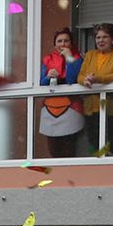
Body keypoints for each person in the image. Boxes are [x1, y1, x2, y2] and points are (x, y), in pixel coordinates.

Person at [37, 27, 87, 158]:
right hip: (49, 108)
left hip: (71, 108)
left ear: (71, 43)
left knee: (69, 148)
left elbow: (71, 80)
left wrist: (69, 58)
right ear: (54, 44)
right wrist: (48, 76)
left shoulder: (78, 58)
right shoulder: (47, 59)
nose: (63, 44)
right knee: (54, 149)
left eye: (66, 41)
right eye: (59, 41)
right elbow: (41, 83)